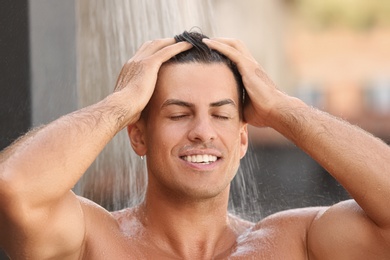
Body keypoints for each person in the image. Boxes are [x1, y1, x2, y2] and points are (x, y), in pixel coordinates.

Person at [1, 31, 390, 259]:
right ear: (138, 134)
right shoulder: (93, 240)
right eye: (178, 113)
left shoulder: (294, 243)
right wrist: (119, 104)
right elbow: (13, 188)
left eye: (221, 115)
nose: (203, 131)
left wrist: (285, 109)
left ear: (241, 139)